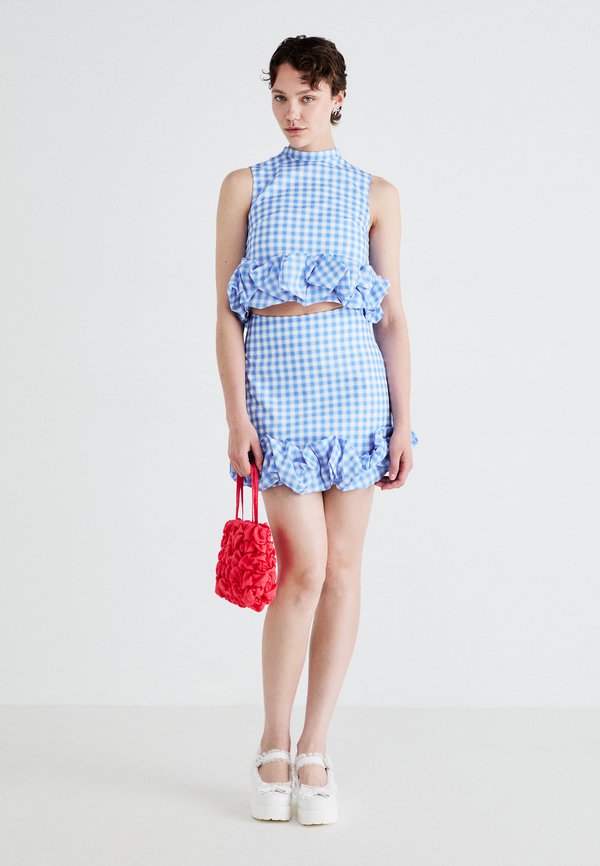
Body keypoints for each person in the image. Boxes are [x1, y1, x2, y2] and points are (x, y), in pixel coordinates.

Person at [215, 35, 418, 825]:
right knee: (299, 570)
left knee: (342, 571)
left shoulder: (375, 192)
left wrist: (404, 421)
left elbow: (391, 317)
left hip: (356, 395)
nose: (292, 113)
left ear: (337, 98)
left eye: (307, 97)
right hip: (278, 398)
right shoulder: (245, 185)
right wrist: (236, 414)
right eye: (280, 97)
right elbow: (226, 315)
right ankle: (272, 740)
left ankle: (316, 747)